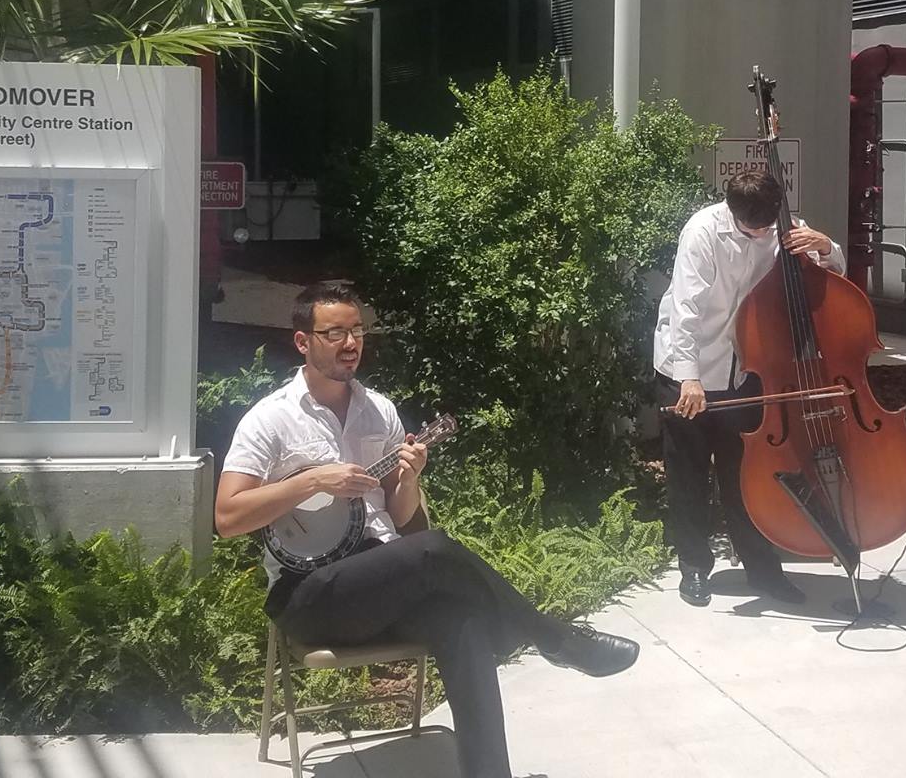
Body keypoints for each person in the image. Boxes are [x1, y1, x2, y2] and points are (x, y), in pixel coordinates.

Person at [216, 281, 639, 778]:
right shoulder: (270, 420)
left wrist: (408, 478)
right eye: (335, 333)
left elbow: (406, 526)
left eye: (357, 331)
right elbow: (228, 518)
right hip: (310, 594)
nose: (351, 344)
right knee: (436, 551)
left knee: (462, 622)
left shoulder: (381, 411)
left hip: (381, 581)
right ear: (303, 341)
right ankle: (554, 638)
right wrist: (312, 479)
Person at [652, 168, 844, 607]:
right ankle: (695, 569)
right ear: (732, 211)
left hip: (746, 372)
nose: (763, 236)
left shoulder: (781, 227)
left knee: (748, 478)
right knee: (689, 474)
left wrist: (827, 247)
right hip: (689, 369)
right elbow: (686, 310)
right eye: (752, 229)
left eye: (767, 227)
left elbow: (828, 274)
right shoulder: (702, 232)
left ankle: (762, 570)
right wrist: (689, 377)